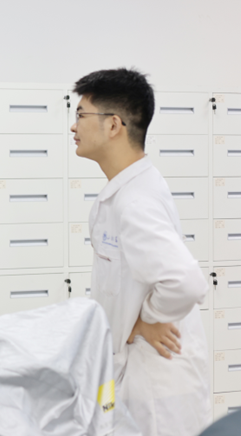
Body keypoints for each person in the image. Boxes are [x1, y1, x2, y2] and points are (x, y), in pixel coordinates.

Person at [71, 68, 210, 435]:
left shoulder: (135, 201)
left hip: (157, 385)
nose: (73, 126)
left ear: (113, 125)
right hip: (134, 373)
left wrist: (145, 319)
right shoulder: (127, 190)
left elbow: (186, 282)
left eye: (81, 115)